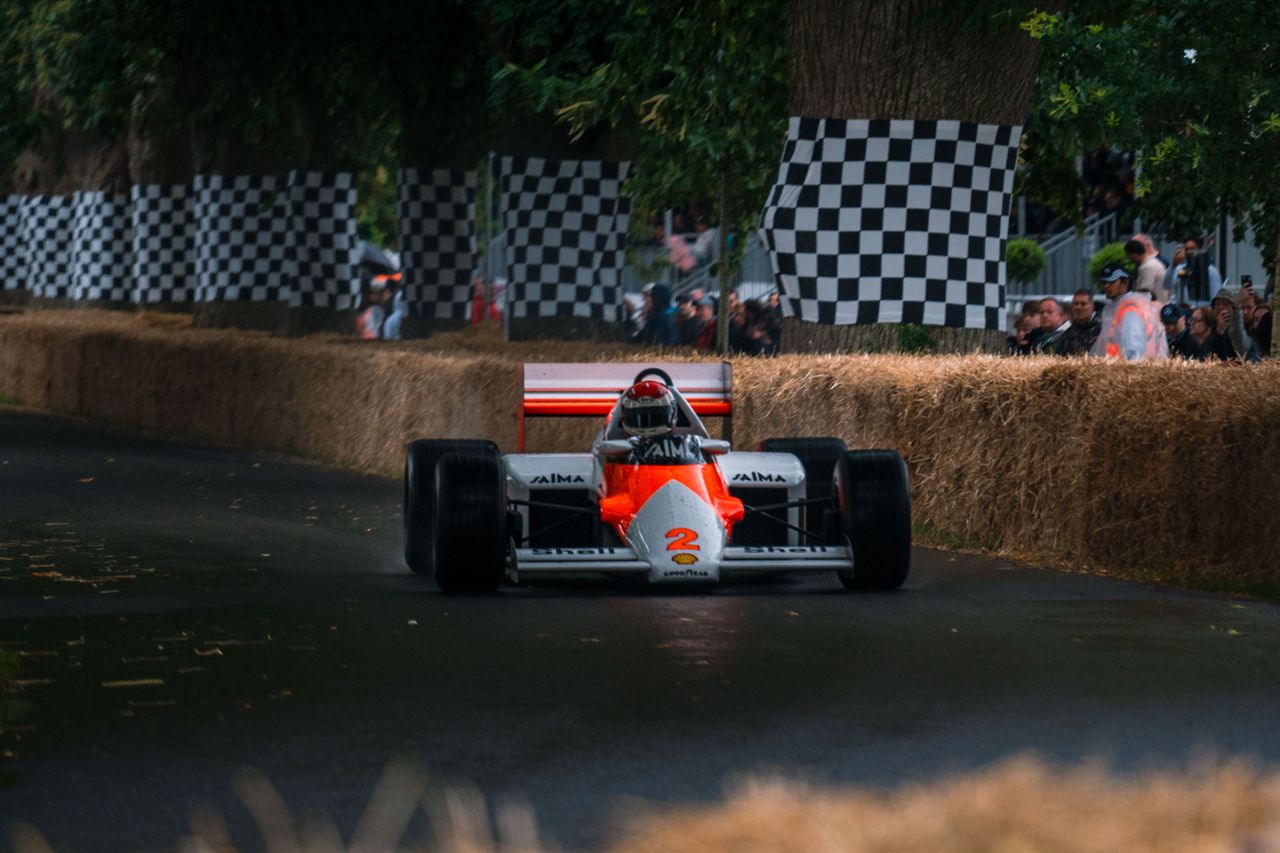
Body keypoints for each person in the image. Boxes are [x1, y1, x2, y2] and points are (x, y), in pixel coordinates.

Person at [1091, 264, 1169, 360]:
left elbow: (1134, 350)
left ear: (1125, 283)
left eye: (1111, 282)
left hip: (1130, 367)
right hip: (1118, 366)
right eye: (1104, 282)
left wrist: (1131, 368)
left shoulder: (1131, 309)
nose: (1106, 286)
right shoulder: (1122, 306)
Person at [617, 380, 702, 465]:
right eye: (640, 418)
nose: (648, 424)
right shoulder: (615, 449)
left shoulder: (692, 442)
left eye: (655, 417)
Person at [1171, 236, 1222, 305]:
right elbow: (1169, 286)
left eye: (1192, 249)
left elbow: (1216, 296)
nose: (1189, 252)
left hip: (1203, 309)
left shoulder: (1211, 271)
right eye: (1187, 249)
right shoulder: (1179, 269)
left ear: (1199, 250)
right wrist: (1174, 265)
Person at [1125, 235, 1169, 302]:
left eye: (1129, 256)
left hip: (1153, 306)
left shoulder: (1148, 267)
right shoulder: (1152, 263)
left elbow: (1145, 293)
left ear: (1133, 255)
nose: (1130, 259)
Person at [1061, 288, 1102, 355]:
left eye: (1083, 304)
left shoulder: (1102, 329)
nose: (1078, 307)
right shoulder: (1069, 330)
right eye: (1076, 304)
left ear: (1092, 307)